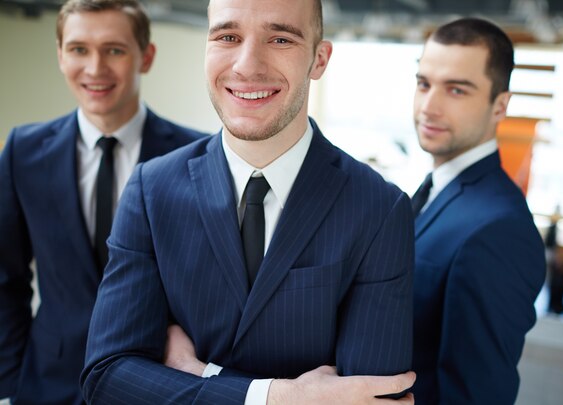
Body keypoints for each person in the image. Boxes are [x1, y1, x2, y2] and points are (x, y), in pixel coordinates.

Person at [80, 0, 415, 404]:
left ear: (319, 59)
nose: (246, 65)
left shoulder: (380, 208)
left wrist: (202, 373)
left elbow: (367, 398)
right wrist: (275, 397)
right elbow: (107, 379)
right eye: (228, 36)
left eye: (279, 38)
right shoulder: (152, 191)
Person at [0, 0, 205, 403]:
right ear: (60, 56)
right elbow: (5, 281)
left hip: (157, 383)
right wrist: (7, 388)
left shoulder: (197, 154)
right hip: (47, 384)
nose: (95, 68)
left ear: (146, 57)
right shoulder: (23, 152)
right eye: (79, 49)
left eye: (114, 49)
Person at [410, 18, 546, 404]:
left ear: (499, 105)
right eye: (424, 84)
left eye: (456, 90)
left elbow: (476, 394)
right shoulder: (431, 191)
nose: (429, 107)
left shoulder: (499, 230)